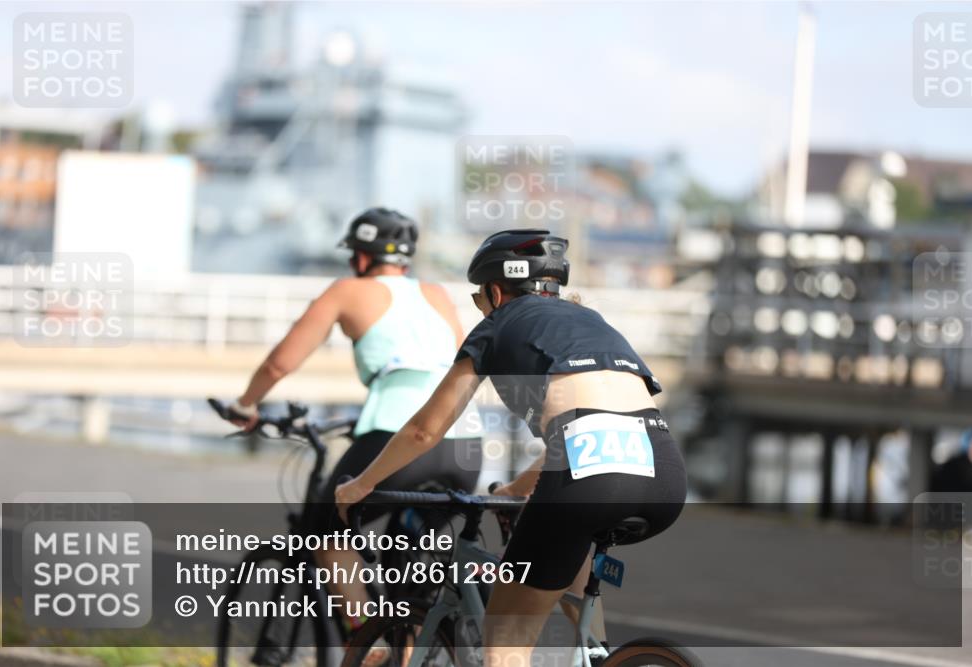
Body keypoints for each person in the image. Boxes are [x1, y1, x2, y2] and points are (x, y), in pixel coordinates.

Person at [336, 228, 687, 667]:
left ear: (495, 291)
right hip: (664, 471)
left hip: (588, 482)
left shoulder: (496, 326)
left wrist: (362, 484)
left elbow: (425, 431)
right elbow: (595, 431)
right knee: (575, 589)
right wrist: (518, 489)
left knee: (504, 645)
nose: (480, 309)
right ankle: (597, 656)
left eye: (478, 299)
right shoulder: (594, 324)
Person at [225, 208, 482, 665]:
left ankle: (365, 643)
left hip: (398, 436)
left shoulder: (348, 290)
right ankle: (412, 649)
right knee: (410, 572)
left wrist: (246, 405)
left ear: (361, 258)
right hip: (464, 444)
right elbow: (457, 364)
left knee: (325, 533)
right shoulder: (436, 294)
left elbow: (279, 364)